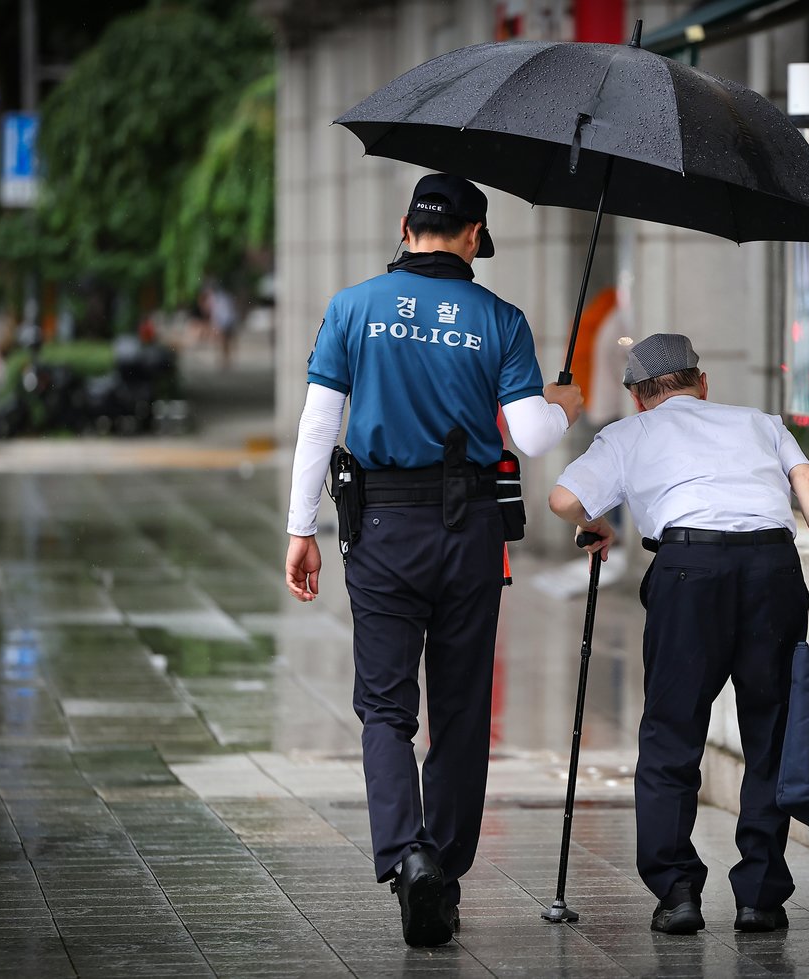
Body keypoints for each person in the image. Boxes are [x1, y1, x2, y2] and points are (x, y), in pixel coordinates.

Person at [284, 173, 584, 948]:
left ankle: (406, 853)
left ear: (404, 226)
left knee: (384, 707)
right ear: (475, 236)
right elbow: (533, 437)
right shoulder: (500, 319)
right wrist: (564, 405)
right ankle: (442, 870)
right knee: (459, 710)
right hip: (470, 530)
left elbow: (319, 426)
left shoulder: (353, 308)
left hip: (380, 528)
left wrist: (299, 529)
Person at [548, 333, 809, 936]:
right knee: (771, 730)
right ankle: (759, 895)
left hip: (687, 572)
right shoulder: (759, 422)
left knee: (671, 732)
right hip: (773, 568)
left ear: (636, 397)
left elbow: (562, 498)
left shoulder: (630, 433)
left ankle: (676, 890)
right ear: (701, 382)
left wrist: (596, 523)